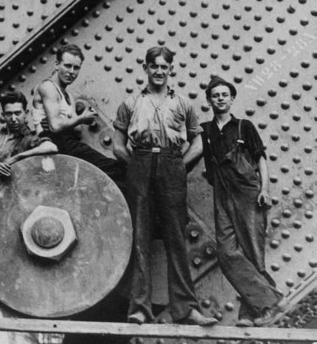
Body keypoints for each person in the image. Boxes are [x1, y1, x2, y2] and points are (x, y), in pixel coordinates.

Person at [113, 46, 217, 326]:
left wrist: (179, 166)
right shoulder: (130, 103)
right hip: (141, 163)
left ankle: (186, 309)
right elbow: (117, 145)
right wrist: (136, 163)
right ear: (145, 68)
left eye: (164, 67)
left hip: (172, 164)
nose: (159, 71)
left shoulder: (183, 104)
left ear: (171, 70)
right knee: (141, 237)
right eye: (154, 66)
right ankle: (139, 308)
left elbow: (197, 142)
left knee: (175, 237)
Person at [197, 75, 285, 327]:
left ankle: (251, 312)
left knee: (253, 254)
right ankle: (271, 300)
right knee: (226, 252)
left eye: (225, 94)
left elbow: (261, 158)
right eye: (215, 95)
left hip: (248, 192)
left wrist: (264, 189)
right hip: (222, 193)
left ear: (232, 98)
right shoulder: (205, 131)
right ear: (209, 101)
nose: (220, 99)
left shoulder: (245, 126)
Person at [33, 44, 125, 181]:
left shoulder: (69, 97)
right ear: (57, 64)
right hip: (52, 142)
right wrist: (81, 118)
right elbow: (55, 127)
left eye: (76, 68)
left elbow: (77, 130)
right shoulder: (48, 87)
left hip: (68, 142)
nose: (72, 71)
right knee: (114, 169)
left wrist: (83, 119)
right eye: (67, 66)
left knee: (113, 169)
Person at [0, 90, 57, 188]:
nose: (13, 118)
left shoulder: (31, 137)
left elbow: (51, 147)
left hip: (13, 187)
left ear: (26, 113)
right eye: (9, 114)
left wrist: (17, 157)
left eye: (17, 113)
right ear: (3, 115)